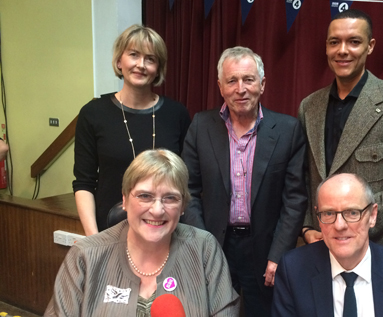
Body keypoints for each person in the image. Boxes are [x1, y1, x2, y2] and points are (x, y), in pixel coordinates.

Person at [181, 46, 307, 316]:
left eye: (248, 79)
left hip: (264, 248)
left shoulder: (288, 130)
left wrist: (279, 254)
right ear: (220, 86)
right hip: (214, 243)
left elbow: (295, 198)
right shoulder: (201, 125)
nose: (241, 88)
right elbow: (187, 191)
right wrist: (202, 245)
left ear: (262, 84)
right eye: (232, 80)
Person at [45, 149, 239, 316]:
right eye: (145, 196)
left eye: (170, 198)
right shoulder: (85, 256)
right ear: (125, 200)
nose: (157, 210)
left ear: (183, 206)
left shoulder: (204, 249)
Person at [299, 9, 383, 254]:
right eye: (334, 42)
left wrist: (345, 224)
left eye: (354, 41)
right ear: (326, 47)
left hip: (381, 249)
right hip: (321, 246)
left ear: (370, 46)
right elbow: (303, 179)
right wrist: (306, 227)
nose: (343, 50)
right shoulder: (309, 107)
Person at [73, 24, 191, 236]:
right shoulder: (92, 114)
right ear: (119, 61)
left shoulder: (177, 114)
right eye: (134, 55)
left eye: (150, 59)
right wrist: (94, 240)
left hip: (163, 233)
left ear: (158, 68)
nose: (141, 65)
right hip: (108, 231)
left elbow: (185, 183)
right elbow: (84, 183)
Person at [272, 173, 383, 317]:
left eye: (352, 213)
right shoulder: (293, 271)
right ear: (318, 219)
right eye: (329, 213)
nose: (339, 225)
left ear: (373, 215)